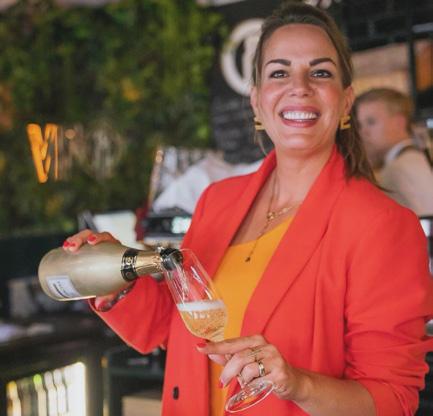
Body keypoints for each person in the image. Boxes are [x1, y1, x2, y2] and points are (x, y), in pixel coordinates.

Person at [63, 2, 433, 415]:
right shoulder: (217, 201)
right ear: (257, 101)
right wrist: (117, 280)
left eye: (320, 73)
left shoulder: (383, 225)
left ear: (346, 102)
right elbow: (177, 325)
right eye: (279, 73)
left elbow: (392, 399)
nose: (299, 87)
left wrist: (298, 384)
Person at [355, 87, 433, 216]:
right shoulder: (417, 159)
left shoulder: (397, 169)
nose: (363, 132)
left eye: (371, 122)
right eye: (360, 125)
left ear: (399, 122)